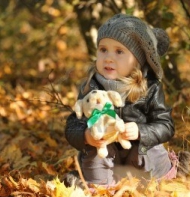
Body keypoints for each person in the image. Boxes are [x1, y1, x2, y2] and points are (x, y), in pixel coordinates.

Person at [64, 13, 177, 187]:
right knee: (95, 155)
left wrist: (141, 131)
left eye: (119, 51)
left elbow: (166, 125)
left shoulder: (150, 87)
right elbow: (73, 125)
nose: (108, 58)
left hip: (138, 155)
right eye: (103, 50)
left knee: (150, 150)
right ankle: (99, 185)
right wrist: (86, 136)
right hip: (107, 157)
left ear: (137, 61)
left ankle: (156, 181)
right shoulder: (91, 86)